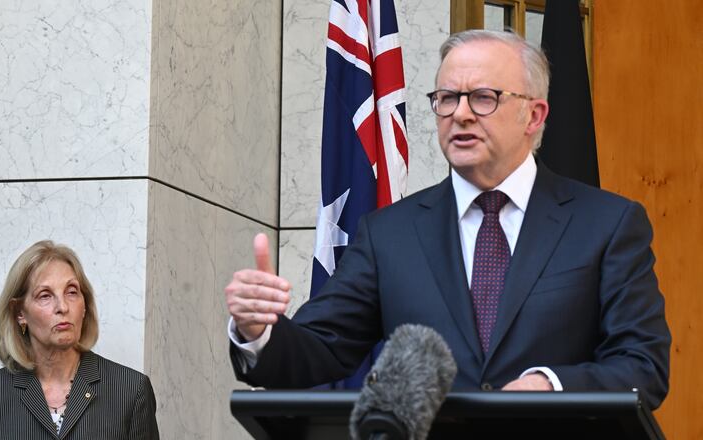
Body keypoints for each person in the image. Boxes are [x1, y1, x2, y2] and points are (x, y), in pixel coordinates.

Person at [224, 29, 671, 409]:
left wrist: (549, 385)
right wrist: (257, 329)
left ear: (533, 115)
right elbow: (318, 350)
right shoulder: (390, 234)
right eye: (447, 98)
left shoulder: (607, 224)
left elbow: (642, 365)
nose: (459, 113)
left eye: (483, 98)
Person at [0, 240, 159, 439]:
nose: (63, 307)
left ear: (85, 305)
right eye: (45, 295)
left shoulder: (131, 390)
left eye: (72, 292)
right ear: (19, 312)